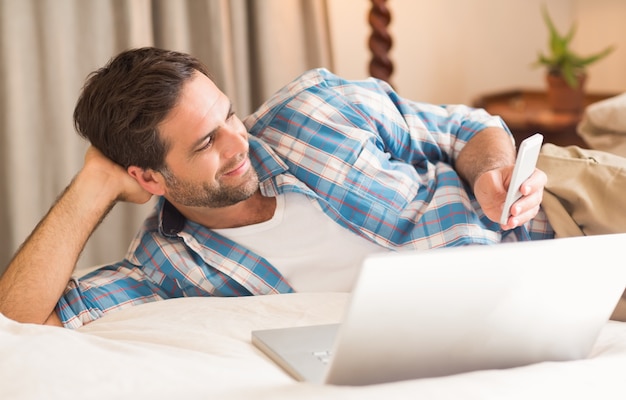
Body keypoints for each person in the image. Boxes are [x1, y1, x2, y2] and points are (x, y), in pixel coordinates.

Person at [0, 47, 557, 329]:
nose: (238, 143)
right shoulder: (165, 268)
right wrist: (94, 182)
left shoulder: (317, 107)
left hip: (551, 216)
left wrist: (490, 174)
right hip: (493, 319)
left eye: (229, 117)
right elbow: (16, 320)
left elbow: (464, 126)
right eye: (204, 145)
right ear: (147, 177)